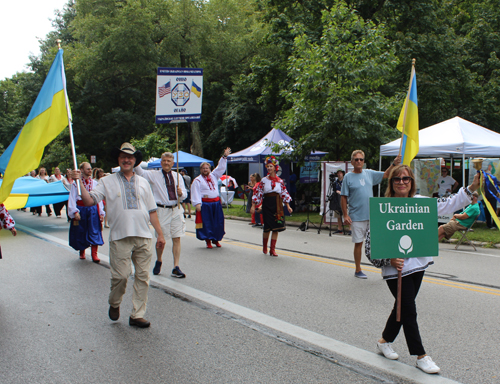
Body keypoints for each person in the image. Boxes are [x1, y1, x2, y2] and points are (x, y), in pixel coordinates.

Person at [366, 165, 480, 374]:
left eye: (406, 179)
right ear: (391, 183)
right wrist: (388, 259)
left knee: (402, 307)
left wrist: (470, 188)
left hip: (418, 265)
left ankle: (384, 341)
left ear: (412, 182)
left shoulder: (421, 203)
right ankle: (421, 356)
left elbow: (448, 204)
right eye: (397, 179)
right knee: (409, 310)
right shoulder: (383, 207)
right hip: (396, 270)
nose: (402, 182)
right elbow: (370, 246)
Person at [74, 142, 166, 328]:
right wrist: (78, 183)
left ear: (135, 161)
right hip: (119, 237)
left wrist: (160, 235)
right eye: (123, 156)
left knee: (142, 277)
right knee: (121, 276)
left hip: (143, 236)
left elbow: (152, 211)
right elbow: (90, 200)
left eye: (130, 157)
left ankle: (137, 314)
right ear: (118, 159)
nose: (126, 159)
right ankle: (114, 303)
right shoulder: (106, 181)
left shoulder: (144, 182)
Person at [341, 151, 401, 279]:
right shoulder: (348, 177)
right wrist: (345, 215)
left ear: (363, 161)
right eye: (356, 159)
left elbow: (386, 174)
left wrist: (394, 164)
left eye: (361, 159)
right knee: (359, 243)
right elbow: (343, 197)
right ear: (352, 162)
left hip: (372, 216)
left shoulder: (369, 173)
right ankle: (358, 269)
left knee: (377, 243)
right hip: (356, 216)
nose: (358, 161)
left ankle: (383, 266)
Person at [134, 152, 187, 278]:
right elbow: (140, 172)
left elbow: (185, 194)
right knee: (161, 240)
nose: (166, 163)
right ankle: (159, 259)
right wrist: (135, 156)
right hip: (161, 210)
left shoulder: (178, 176)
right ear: (161, 162)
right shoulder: (154, 175)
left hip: (176, 209)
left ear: (173, 163)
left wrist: (181, 193)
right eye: (164, 160)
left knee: (177, 237)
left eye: (169, 161)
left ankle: (176, 266)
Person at [251, 156, 293, 256]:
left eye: (271, 166)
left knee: (276, 227)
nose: (269, 168)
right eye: (268, 166)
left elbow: (284, 193)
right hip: (267, 204)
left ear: (275, 167)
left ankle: (272, 249)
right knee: (267, 227)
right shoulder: (264, 181)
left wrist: (288, 206)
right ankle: (265, 246)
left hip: (277, 205)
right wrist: (254, 205)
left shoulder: (280, 181)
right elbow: (258, 193)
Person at [191, 147, 231, 248]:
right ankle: (208, 240)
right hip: (206, 204)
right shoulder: (197, 180)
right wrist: (197, 204)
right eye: (203, 168)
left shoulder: (214, 176)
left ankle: (216, 239)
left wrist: (224, 157)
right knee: (207, 223)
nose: (205, 170)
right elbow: (195, 192)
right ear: (201, 170)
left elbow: (220, 168)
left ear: (209, 169)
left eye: (207, 168)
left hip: (216, 203)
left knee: (218, 222)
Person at [68, 162, 105, 263]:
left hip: (93, 209)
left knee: (94, 230)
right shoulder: (76, 184)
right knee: (81, 230)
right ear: (82, 170)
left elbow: (99, 198)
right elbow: (72, 198)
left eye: (90, 168)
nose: (90, 170)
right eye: (88, 169)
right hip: (81, 209)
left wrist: (101, 212)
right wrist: (74, 211)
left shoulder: (95, 183)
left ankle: (94, 254)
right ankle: (82, 251)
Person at [333, 170, 349, 234]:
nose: (339, 174)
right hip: (338, 199)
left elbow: (348, 190)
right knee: (338, 215)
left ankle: (350, 229)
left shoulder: (345, 181)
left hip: (345, 199)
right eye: (338, 173)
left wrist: (341, 192)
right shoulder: (335, 182)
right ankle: (339, 228)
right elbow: (334, 191)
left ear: (343, 174)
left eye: (340, 173)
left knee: (347, 214)